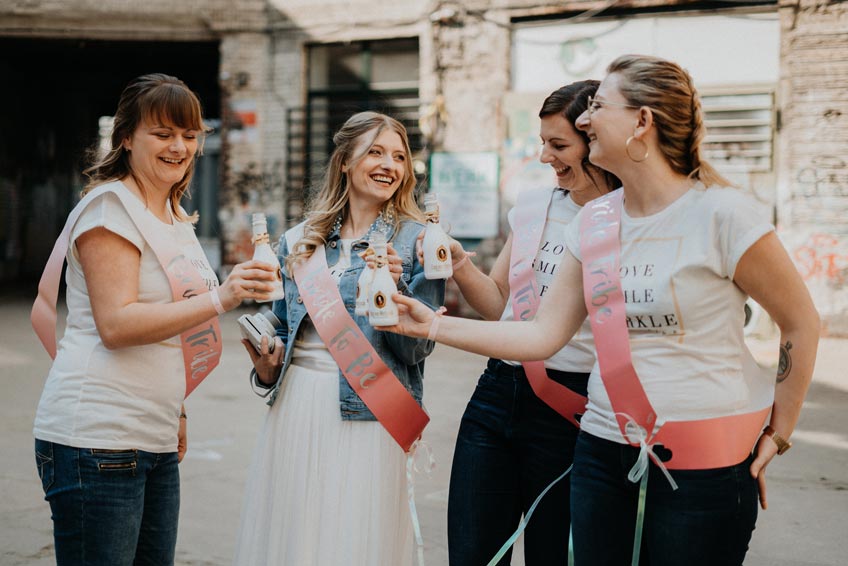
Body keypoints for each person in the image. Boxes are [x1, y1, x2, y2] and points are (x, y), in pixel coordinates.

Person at [381, 54, 820, 566]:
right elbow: (541, 335)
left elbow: (801, 322)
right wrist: (433, 322)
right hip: (598, 447)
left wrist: (779, 431)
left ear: (642, 122)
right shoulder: (593, 222)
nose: (585, 121)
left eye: (597, 108)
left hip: (705, 460)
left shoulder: (723, 214)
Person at [30, 73, 278, 565]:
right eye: (162, 134)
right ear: (125, 137)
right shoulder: (110, 208)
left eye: (189, 134)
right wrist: (223, 299)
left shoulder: (171, 214)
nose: (179, 146)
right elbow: (117, 325)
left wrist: (177, 408)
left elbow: (169, 325)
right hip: (98, 436)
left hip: (155, 434)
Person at [233, 111, 445, 566]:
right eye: (375, 152)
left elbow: (417, 348)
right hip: (296, 407)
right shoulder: (299, 240)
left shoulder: (418, 242)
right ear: (345, 161)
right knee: (297, 535)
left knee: (355, 541)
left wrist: (399, 292)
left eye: (399, 156)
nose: (389, 164)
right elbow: (282, 328)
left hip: (372, 410)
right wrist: (265, 363)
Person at [432, 80, 618, 565]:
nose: (544, 157)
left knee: (551, 554)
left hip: (574, 405)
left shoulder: (626, 218)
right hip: (497, 395)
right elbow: (501, 308)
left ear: (594, 141)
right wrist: (459, 264)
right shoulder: (534, 207)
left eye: (558, 145)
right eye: (542, 143)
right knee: (472, 551)